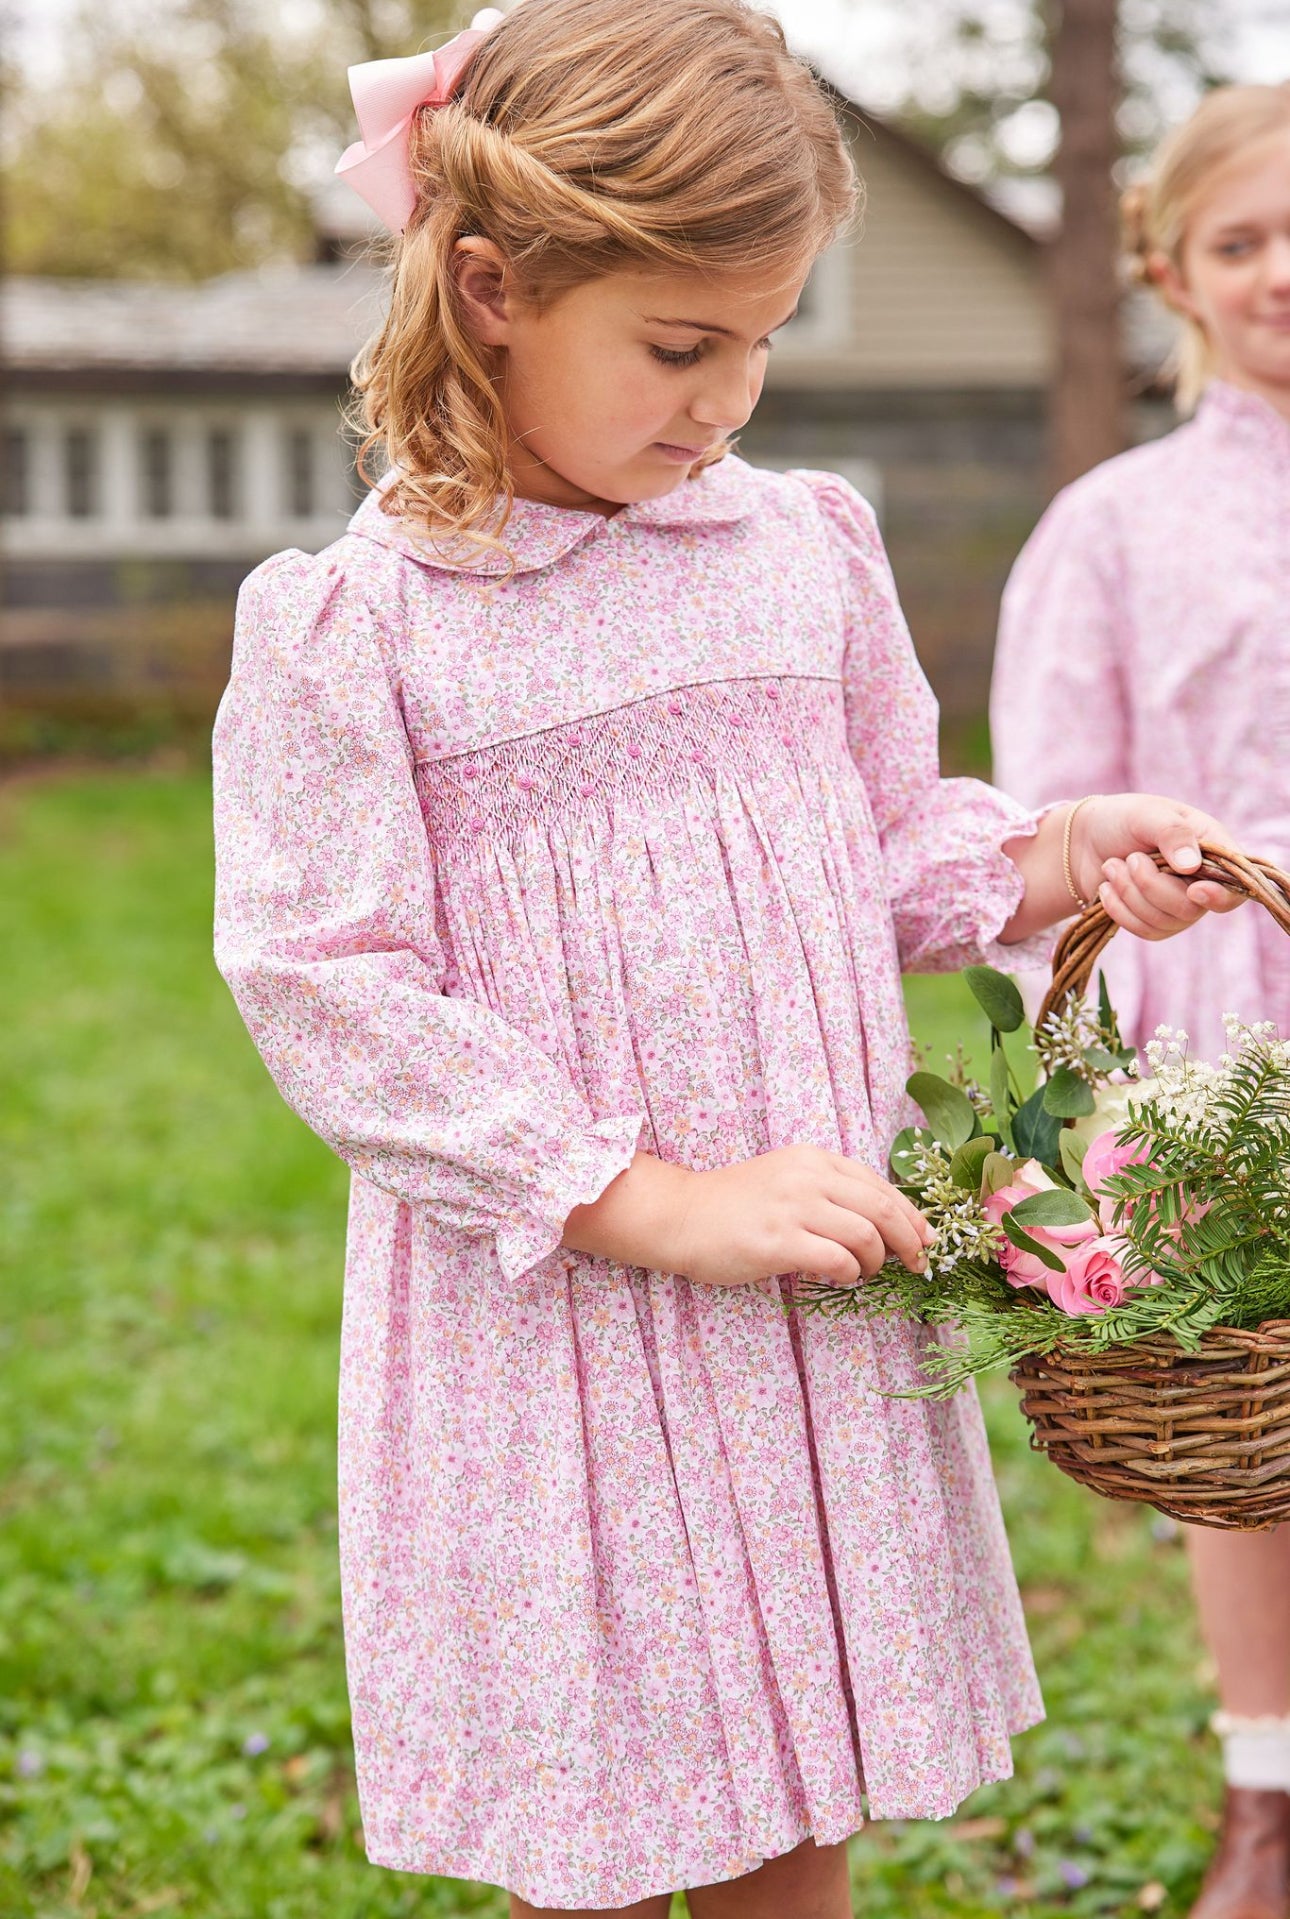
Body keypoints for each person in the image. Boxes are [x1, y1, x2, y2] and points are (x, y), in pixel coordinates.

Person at [212, 4, 1244, 1911]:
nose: (729, 399)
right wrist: (639, 1196)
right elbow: (326, 980)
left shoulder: (797, 552)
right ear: (494, 285)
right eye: (681, 346)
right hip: (568, 1324)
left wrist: (1051, 854)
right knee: (598, 1799)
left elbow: (872, 846)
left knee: (793, 1795)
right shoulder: (359, 628)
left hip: (800, 1285)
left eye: (765, 339)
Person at [991, 81, 1290, 1919]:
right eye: (1241, 240)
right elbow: (1043, 820)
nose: (1282, 275)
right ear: (1169, 270)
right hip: (1232, 1028)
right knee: (1259, 1435)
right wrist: (1121, 899)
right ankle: (1269, 1789)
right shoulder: (1114, 525)